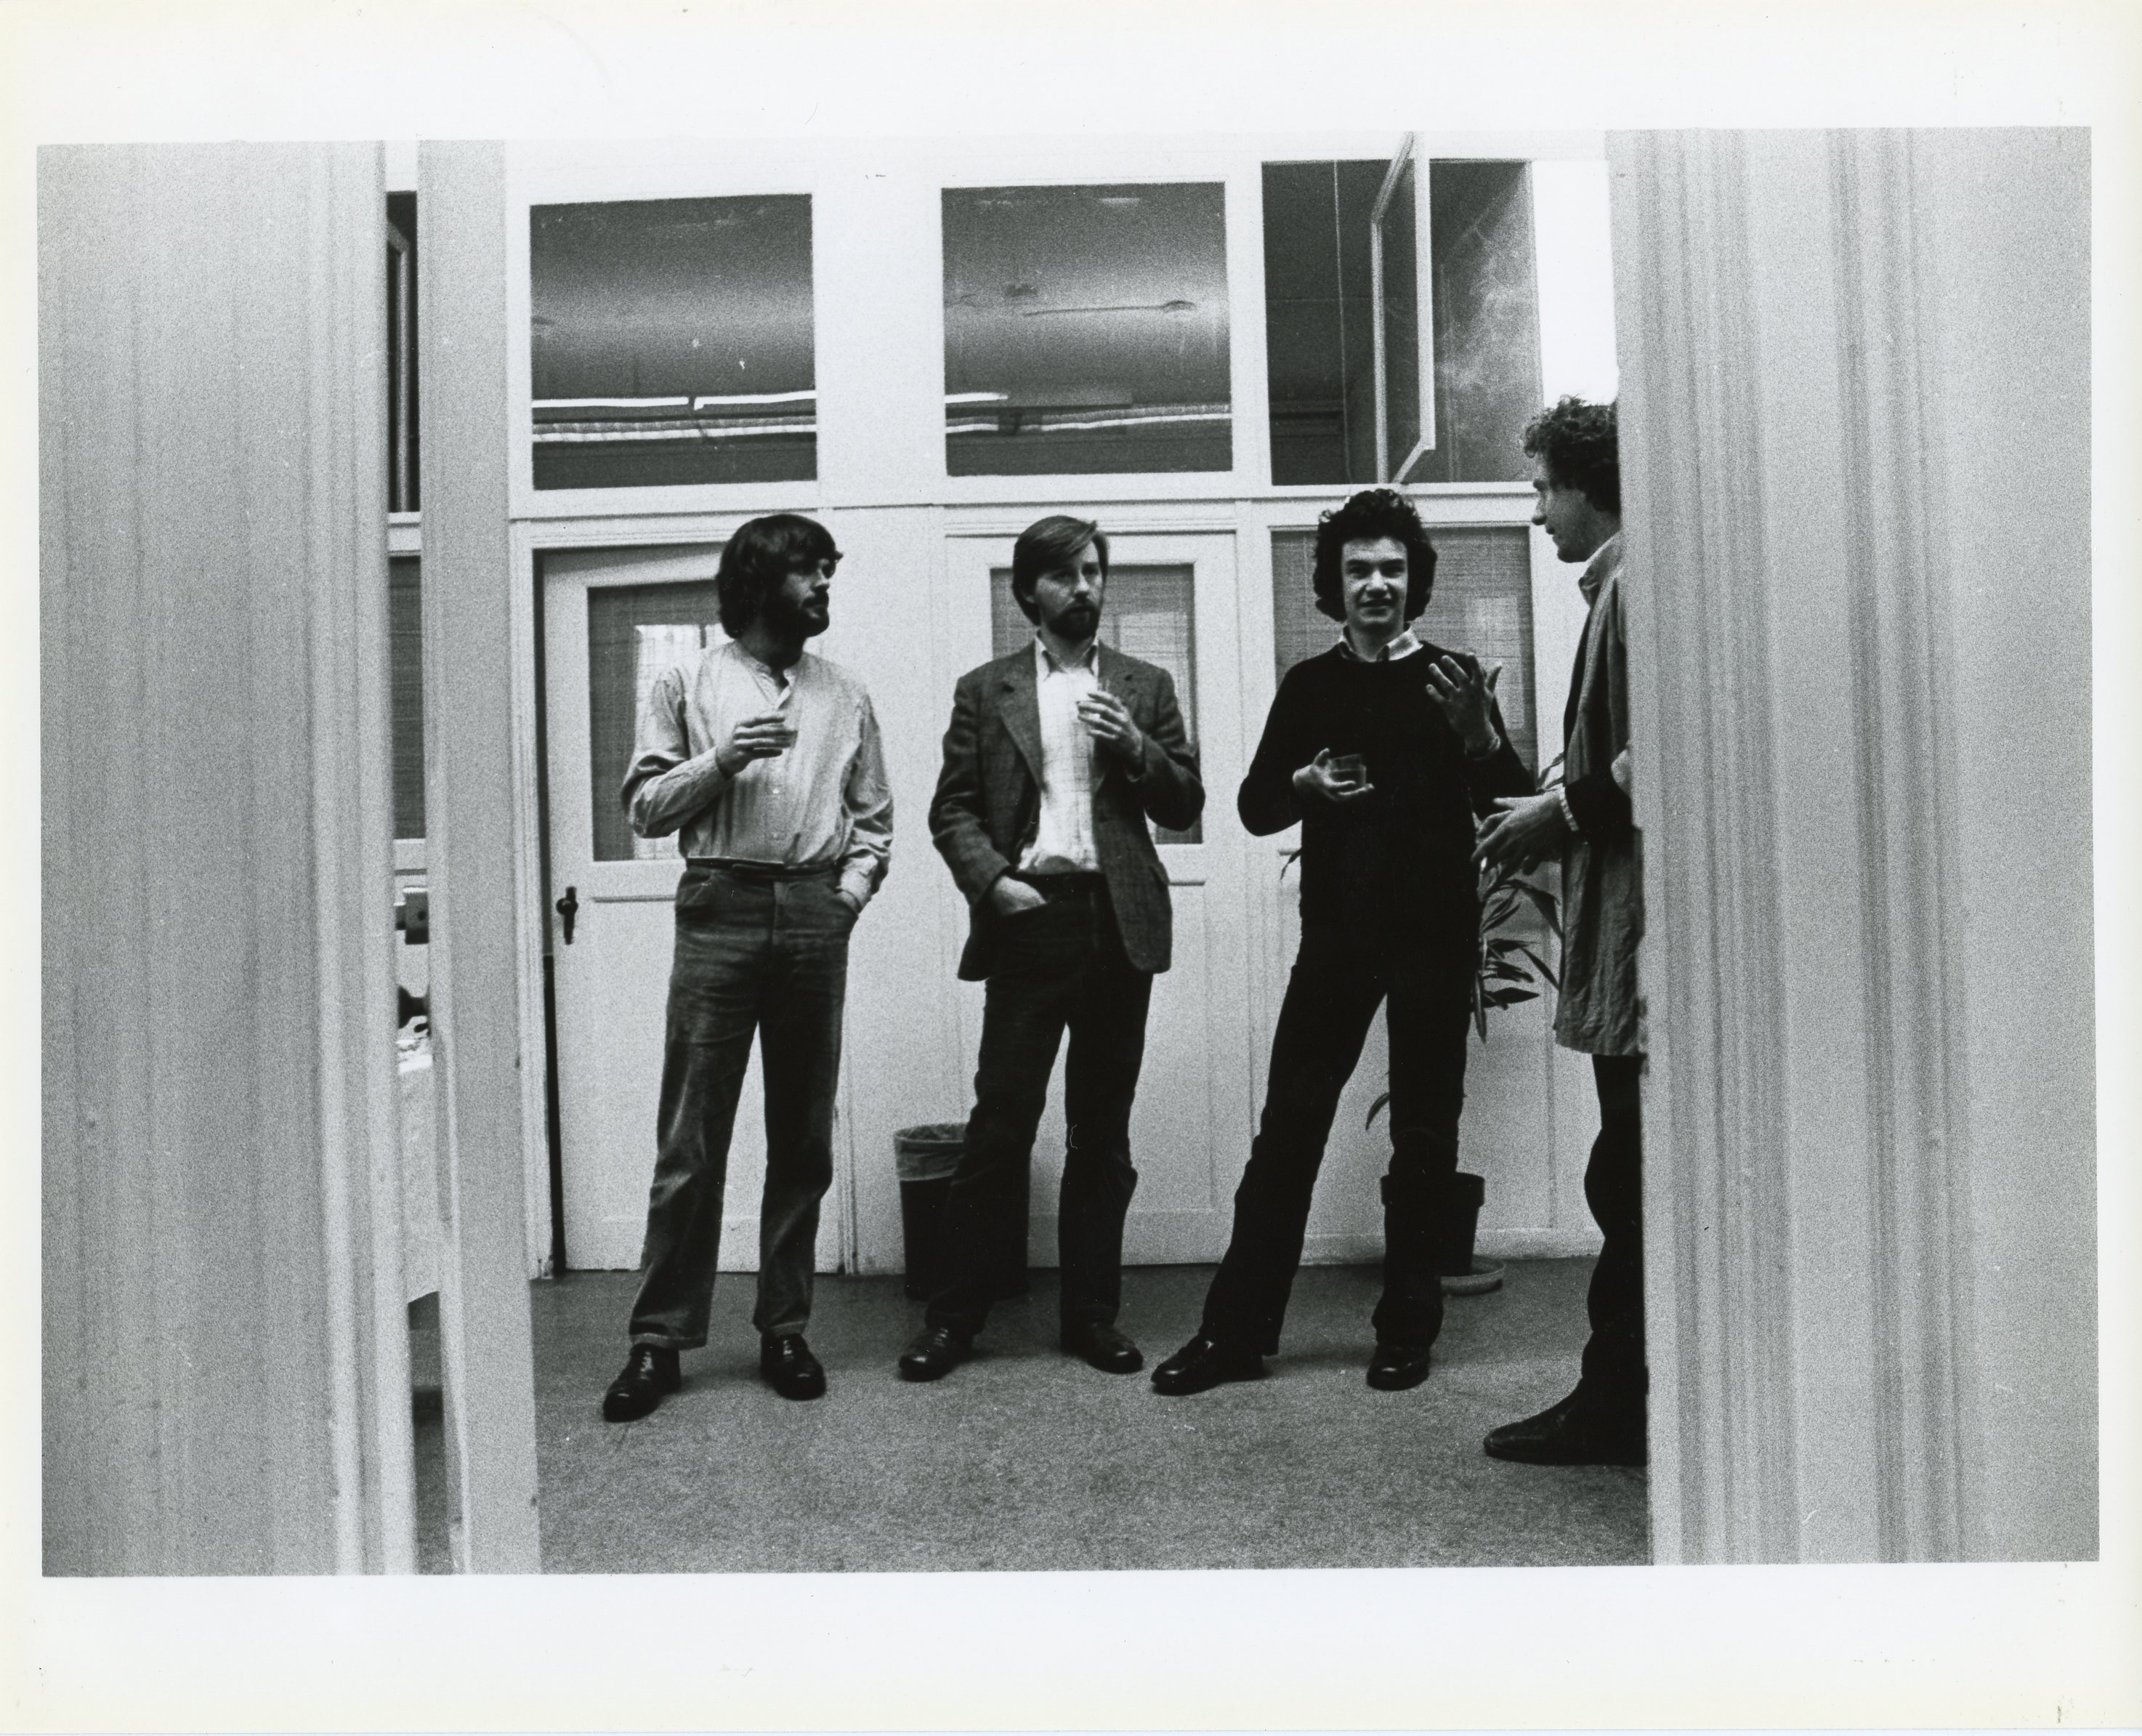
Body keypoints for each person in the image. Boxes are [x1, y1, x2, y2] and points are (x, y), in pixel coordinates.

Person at [1152, 488, 1534, 1397]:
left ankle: (1405, 1331)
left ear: (1415, 582)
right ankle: (1233, 1335)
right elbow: (1251, 809)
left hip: (1436, 941)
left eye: (1392, 570)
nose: (1376, 584)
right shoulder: (1309, 685)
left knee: (1423, 1140)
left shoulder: (1455, 676)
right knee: (1286, 1133)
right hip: (1335, 941)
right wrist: (1303, 780)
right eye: (1359, 569)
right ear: (1334, 582)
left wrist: (1480, 738)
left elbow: (1512, 808)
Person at [600, 513, 893, 1420]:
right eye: (809, 573)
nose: (823, 589)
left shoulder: (845, 694)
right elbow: (645, 807)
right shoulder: (686, 679)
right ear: (762, 582)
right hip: (719, 906)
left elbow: (873, 821)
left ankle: (784, 1327)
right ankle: (658, 1341)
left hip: (812, 912)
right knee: (691, 1137)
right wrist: (721, 761)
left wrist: (845, 897)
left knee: (802, 1137)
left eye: (827, 573)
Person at [899, 515, 1205, 1382]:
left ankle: (1090, 1316)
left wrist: (1138, 748)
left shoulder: (1145, 686)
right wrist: (993, 883)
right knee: (999, 1129)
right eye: (1067, 574)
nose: (1086, 587)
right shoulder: (984, 689)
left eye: (1095, 572)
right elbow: (950, 808)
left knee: (1100, 1134)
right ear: (1028, 590)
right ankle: (953, 1319)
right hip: (1031, 918)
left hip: (1119, 924)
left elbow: (1184, 802)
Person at [1476, 397, 1647, 1466]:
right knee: (1621, 1172)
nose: (1536, 511)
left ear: (1589, 485)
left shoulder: (1636, 586)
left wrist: (1564, 810)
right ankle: (1619, 1392)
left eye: (1543, 489)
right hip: (1621, 936)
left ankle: (1613, 1404)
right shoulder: (1616, 590)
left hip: (1640, 948)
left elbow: (1659, 748)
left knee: (1624, 1177)